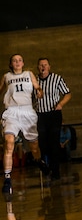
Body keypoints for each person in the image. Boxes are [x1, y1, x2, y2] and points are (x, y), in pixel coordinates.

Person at [1, 54, 51, 195]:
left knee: (34, 148)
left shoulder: (29, 74)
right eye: (14, 61)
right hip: (12, 112)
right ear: (11, 64)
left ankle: (38, 161)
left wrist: (39, 91)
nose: (17, 62)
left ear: (23, 63)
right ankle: (7, 179)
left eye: (19, 60)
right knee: (9, 142)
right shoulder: (6, 77)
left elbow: (37, 87)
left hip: (27, 111)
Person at [35, 57, 71, 180]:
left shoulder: (57, 78)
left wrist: (61, 104)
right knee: (42, 143)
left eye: (45, 64)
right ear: (38, 67)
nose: (43, 67)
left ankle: (55, 171)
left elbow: (68, 93)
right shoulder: (34, 80)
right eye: (40, 65)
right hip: (40, 115)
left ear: (49, 67)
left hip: (54, 114)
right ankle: (46, 165)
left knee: (54, 143)